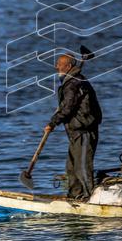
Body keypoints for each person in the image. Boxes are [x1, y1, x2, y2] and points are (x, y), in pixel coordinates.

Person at [44, 53, 102, 200]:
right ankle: (75, 196)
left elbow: (68, 108)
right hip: (76, 132)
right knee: (71, 167)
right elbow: (67, 105)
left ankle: (88, 198)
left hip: (84, 131)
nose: (56, 66)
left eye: (59, 64)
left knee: (82, 167)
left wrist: (53, 122)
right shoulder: (72, 82)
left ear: (68, 66)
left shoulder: (74, 83)